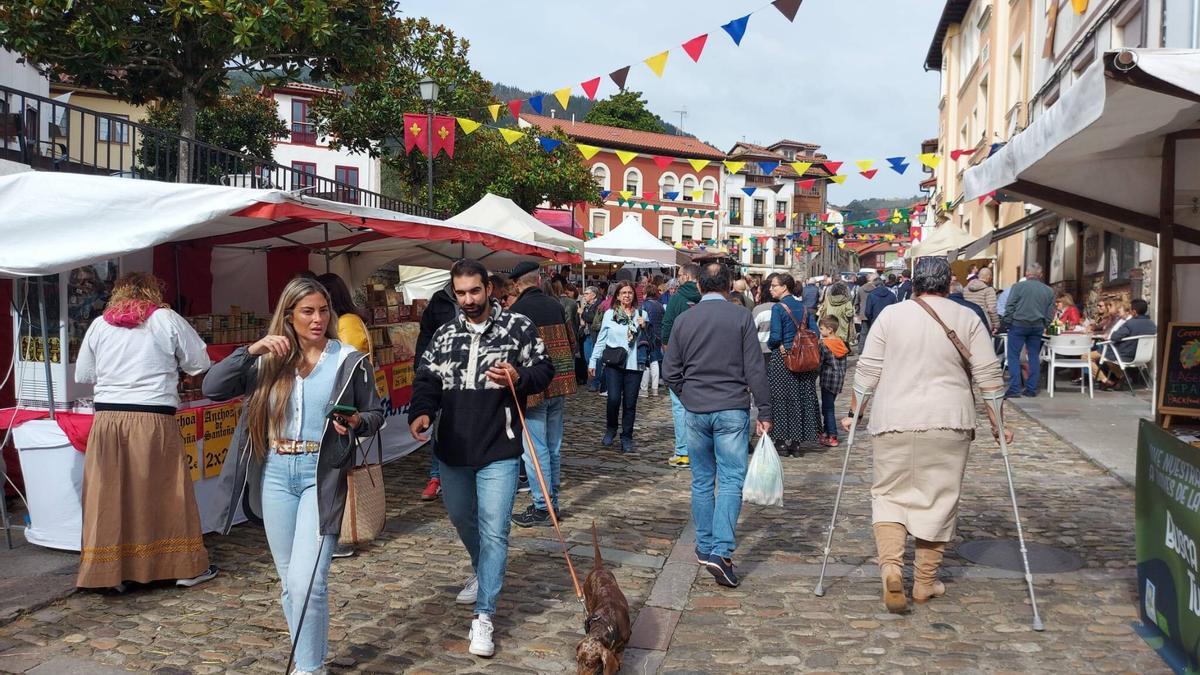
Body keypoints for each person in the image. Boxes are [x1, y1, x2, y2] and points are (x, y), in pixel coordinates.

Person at [203, 276, 384, 675]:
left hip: (321, 475)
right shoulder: (268, 361)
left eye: (323, 310)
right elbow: (212, 386)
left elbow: (375, 414)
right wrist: (250, 350)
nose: (318, 319)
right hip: (275, 473)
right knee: (290, 583)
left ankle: (308, 668)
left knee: (308, 583)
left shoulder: (347, 360)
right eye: (308, 311)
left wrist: (355, 421)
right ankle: (310, 661)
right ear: (289, 316)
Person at [843, 256, 1011, 613]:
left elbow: (867, 371)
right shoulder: (967, 317)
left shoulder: (891, 315)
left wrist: (853, 413)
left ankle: (891, 568)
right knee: (939, 498)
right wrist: (998, 423)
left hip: (892, 418)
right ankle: (923, 582)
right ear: (949, 283)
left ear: (914, 282)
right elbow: (989, 376)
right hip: (949, 420)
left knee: (888, 494)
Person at [407, 259, 554, 658]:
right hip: (453, 447)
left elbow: (545, 369)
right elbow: (427, 379)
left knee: (495, 530)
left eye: (475, 291)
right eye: (461, 293)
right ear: (453, 294)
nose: (469, 300)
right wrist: (421, 410)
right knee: (460, 516)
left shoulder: (517, 327)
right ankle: (482, 571)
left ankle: (484, 615)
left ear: (489, 288)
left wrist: (520, 377)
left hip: (500, 448)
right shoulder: (443, 333)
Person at [74, 272, 216, 592]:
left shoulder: (100, 325)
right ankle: (180, 567)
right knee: (166, 492)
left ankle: (109, 573)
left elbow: (85, 373)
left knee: (110, 495)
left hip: (109, 419)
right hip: (152, 416)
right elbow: (199, 362)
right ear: (154, 292)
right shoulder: (165, 319)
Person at [662, 262, 772, 589]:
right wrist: (764, 409)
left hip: (697, 408)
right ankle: (720, 551)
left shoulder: (684, 319)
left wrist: (689, 395)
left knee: (702, 479)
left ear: (699, 287)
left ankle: (706, 544)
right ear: (729, 287)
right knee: (730, 479)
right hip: (731, 407)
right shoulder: (740, 317)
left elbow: (670, 371)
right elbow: (755, 368)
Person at [506, 262, 577, 528]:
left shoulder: (517, 312)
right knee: (553, 447)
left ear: (516, 284)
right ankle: (552, 502)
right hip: (559, 383)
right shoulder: (557, 304)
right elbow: (572, 342)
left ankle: (543, 506)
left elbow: (510, 355)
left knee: (535, 451)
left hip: (533, 388)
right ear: (537, 280)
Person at [316, 273, 372, 560]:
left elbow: (345, 369)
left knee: (338, 475)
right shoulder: (349, 319)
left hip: (345, 412)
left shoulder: (346, 324)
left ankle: (342, 534)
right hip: (345, 411)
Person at [589, 281, 650, 454]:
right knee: (614, 399)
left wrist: (645, 326)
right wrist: (593, 361)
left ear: (634, 295)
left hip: (634, 364)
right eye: (623, 292)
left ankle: (627, 437)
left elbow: (652, 340)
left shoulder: (642, 314)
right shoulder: (610, 314)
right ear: (617, 296)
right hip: (614, 364)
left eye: (630, 292)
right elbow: (601, 339)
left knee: (630, 403)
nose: (627, 295)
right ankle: (611, 428)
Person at [415, 278, 461, 502]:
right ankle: (436, 477)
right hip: (443, 374)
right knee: (439, 427)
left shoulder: (486, 306)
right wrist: (421, 366)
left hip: (473, 378)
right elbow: (425, 335)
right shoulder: (438, 301)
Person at [767, 274, 821, 457]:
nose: (771, 289)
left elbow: (775, 337)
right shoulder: (804, 308)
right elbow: (815, 332)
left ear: (784, 288)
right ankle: (797, 443)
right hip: (804, 359)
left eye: (774, 286)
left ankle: (781, 441)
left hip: (784, 359)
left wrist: (775, 345)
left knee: (781, 398)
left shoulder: (778, 308)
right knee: (801, 398)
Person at [661, 264, 702, 468]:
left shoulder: (677, 298)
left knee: (679, 405)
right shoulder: (706, 296)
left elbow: (667, 326)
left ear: (686, 276)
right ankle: (701, 450)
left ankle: (683, 451)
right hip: (703, 357)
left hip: (680, 357)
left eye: (679, 276)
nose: (677, 279)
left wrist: (668, 351)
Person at [1004, 262, 1056, 398]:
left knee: (1014, 356)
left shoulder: (1018, 287)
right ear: (1040, 275)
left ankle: (1015, 388)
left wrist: (1008, 322)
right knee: (1033, 356)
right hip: (1037, 325)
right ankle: (1031, 388)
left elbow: (1010, 306)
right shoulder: (1048, 290)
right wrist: (1045, 323)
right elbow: (1050, 312)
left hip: (1019, 324)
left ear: (1027, 273)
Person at [1091, 299, 1153, 389]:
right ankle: (1118, 378)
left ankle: (1106, 380)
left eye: (1130, 310)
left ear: (1134, 312)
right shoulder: (1152, 324)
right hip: (1144, 356)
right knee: (1105, 357)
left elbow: (1114, 337)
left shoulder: (1130, 323)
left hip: (1123, 354)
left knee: (1087, 357)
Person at [817, 316, 849, 448]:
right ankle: (826, 431)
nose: (820, 331)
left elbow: (820, 362)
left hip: (828, 379)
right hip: (838, 380)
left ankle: (832, 436)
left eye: (822, 328)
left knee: (828, 409)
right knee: (829, 406)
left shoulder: (824, 344)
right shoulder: (841, 342)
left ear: (830, 330)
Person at [639, 285, 666, 396]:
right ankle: (654, 387)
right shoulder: (660, 306)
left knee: (646, 361)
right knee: (655, 361)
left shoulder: (644, 305)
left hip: (647, 335)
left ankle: (644, 387)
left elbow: (642, 321)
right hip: (658, 336)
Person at [752, 274, 778, 369]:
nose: (757, 295)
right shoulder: (782, 307)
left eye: (759, 292)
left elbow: (752, 331)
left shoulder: (759, 309)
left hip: (762, 350)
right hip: (778, 350)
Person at [963, 267, 1000, 334]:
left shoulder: (965, 289)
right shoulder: (989, 290)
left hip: (966, 322)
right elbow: (991, 309)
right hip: (982, 322)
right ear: (989, 277)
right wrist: (996, 325)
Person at [863, 273, 898, 340]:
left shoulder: (871, 295)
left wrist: (872, 319)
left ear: (874, 285)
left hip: (875, 321)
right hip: (889, 322)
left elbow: (867, 312)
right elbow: (896, 309)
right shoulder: (892, 295)